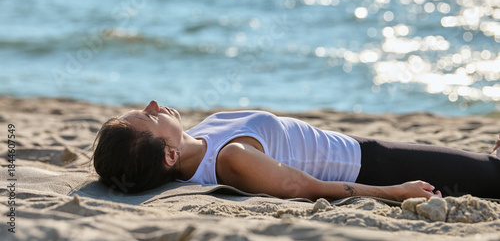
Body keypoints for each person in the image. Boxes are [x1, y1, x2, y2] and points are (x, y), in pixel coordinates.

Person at [92, 100, 500, 201]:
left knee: (487, 166)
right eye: (149, 117)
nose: (152, 105)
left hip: (362, 148)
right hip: (374, 166)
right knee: (493, 174)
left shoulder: (194, 142)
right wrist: (393, 192)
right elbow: (304, 187)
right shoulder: (230, 159)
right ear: (167, 156)